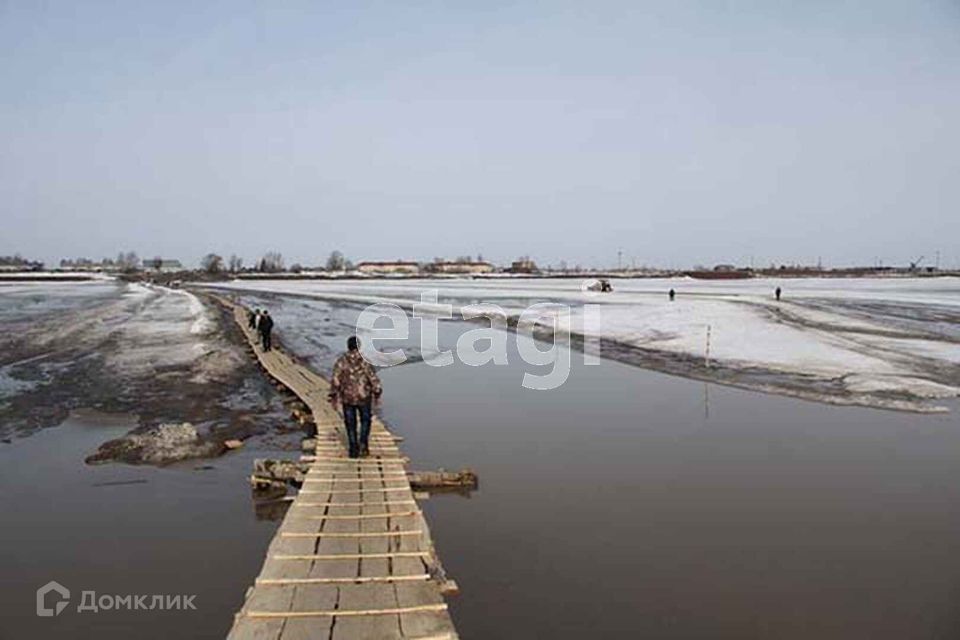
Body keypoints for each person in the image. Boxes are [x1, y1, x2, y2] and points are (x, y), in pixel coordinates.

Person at [328, 336, 382, 458]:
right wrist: (377, 392)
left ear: (348, 346)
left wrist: (333, 395)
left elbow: (335, 380)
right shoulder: (365, 361)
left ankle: (353, 448)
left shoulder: (341, 361)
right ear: (359, 346)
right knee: (365, 421)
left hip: (347, 397)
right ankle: (363, 443)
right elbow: (373, 378)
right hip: (364, 396)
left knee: (350, 423)